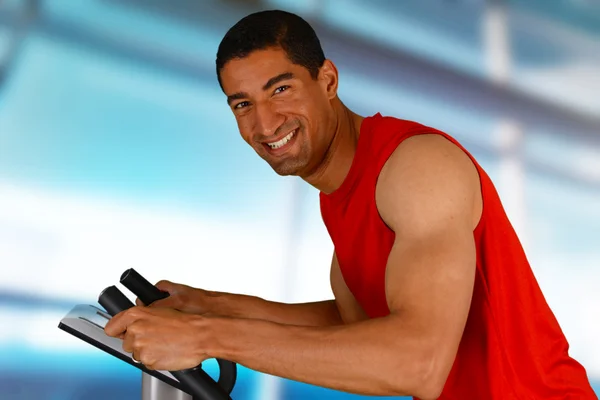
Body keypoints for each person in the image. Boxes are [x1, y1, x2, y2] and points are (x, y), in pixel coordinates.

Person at [105, 9, 597, 400]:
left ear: (328, 80)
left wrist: (208, 337)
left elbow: (417, 363)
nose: (266, 122)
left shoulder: (415, 168)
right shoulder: (340, 195)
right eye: (243, 104)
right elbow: (361, 323)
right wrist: (207, 307)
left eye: (281, 89)